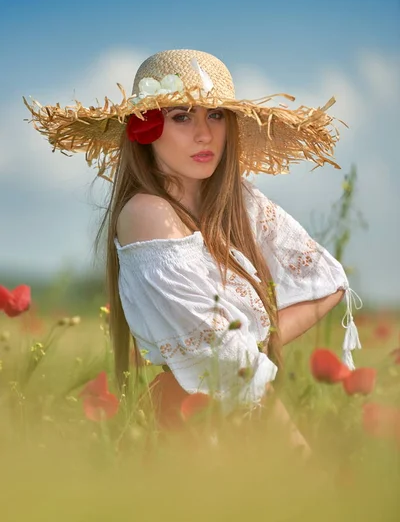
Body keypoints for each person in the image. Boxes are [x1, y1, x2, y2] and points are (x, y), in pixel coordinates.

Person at [24, 48, 363, 434]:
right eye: (181, 116)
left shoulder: (239, 200)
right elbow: (221, 358)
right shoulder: (146, 213)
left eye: (216, 115)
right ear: (144, 128)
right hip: (187, 413)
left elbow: (327, 280)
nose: (205, 134)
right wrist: (297, 454)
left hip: (238, 399)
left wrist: (254, 342)